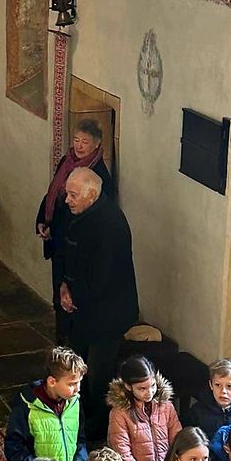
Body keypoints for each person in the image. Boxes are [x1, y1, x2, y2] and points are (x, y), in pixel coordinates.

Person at [60, 167, 138, 440]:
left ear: (91, 195)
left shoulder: (109, 225)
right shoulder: (84, 215)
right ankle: (77, 414)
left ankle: (96, 427)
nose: (67, 200)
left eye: (73, 195)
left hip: (107, 312)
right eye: (67, 194)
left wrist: (73, 295)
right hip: (86, 306)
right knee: (76, 363)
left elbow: (103, 276)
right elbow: (72, 255)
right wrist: (64, 285)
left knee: (99, 373)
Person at [35, 119, 113, 339]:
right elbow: (53, 193)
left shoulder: (97, 177)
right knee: (57, 293)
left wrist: (57, 230)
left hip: (74, 245)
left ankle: (69, 342)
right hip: (58, 240)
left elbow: (87, 218)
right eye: (77, 140)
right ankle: (61, 337)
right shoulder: (66, 162)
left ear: (96, 145)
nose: (79, 146)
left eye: (85, 142)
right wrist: (43, 220)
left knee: (70, 296)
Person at [4, 347, 88, 461]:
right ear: (52, 381)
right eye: (72, 384)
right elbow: (14, 448)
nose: (77, 389)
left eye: (79, 382)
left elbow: (80, 438)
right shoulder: (27, 407)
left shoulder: (75, 403)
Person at [107, 355, 182, 461]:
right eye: (142, 389)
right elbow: (123, 458)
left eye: (153, 386)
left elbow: (179, 444)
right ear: (128, 386)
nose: (150, 393)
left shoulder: (166, 407)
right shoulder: (119, 414)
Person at [186, 357, 231, 439]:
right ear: (211, 385)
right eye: (217, 385)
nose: (223, 391)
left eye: (229, 386)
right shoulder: (197, 411)